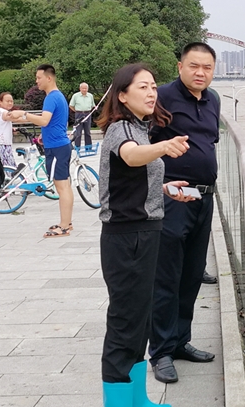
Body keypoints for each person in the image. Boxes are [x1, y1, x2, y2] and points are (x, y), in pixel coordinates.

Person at [96, 63, 193, 407]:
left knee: (139, 322)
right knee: (125, 325)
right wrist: (164, 148)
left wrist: (163, 188)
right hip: (127, 237)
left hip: (145, 231)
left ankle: (138, 399)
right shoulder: (120, 129)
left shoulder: (140, 129)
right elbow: (131, 157)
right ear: (122, 95)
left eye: (153, 86)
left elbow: (131, 177)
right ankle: (119, 403)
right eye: (143, 87)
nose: (152, 93)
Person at [149, 42, 221, 384]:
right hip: (174, 197)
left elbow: (209, 145)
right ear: (180, 66)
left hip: (205, 197)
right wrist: (162, 183)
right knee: (168, 276)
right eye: (194, 66)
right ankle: (160, 351)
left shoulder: (213, 100)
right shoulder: (161, 97)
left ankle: (180, 341)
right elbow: (141, 146)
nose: (200, 73)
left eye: (207, 67)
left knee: (192, 275)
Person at [9, 64, 73, 237]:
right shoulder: (58, 97)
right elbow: (55, 122)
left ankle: (65, 226)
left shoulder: (52, 97)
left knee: (62, 187)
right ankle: (65, 222)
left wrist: (23, 114)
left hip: (58, 147)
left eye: (39, 77)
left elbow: (44, 120)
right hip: (58, 145)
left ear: (49, 78)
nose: (36, 81)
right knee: (64, 185)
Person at [0, 92, 17, 168]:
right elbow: (14, 118)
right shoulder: (3, 112)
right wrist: (29, 117)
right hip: (2, 144)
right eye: (7, 101)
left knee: (5, 167)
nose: (10, 103)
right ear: (0, 102)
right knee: (9, 167)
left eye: (11, 101)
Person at [69, 82, 96, 149]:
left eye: (85, 88)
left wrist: (95, 108)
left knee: (87, 132)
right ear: (80, 88)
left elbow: (93, 105)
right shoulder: (75, 96)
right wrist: (76, 111)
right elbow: (71, 105)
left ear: (87, 89)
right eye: (83, 88)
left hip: (87, 114)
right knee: (78, 132)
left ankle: (88, 147)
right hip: (79, 114)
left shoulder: (90, 96)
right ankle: (77, 147)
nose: (84, 89)